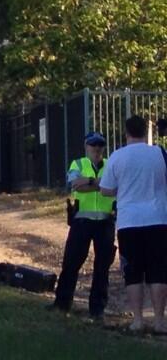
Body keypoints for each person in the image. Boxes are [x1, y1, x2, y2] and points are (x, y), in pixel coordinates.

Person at [100, 116, 167, 332]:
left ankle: (137, 320)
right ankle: (159, 320)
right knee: (159, 271)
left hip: (129, 222)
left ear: (126, 132)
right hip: (158, 219)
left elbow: (106, 189)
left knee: (133, 272)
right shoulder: (159, 153)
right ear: (146, 131)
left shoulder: (117, 157)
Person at [50, 132, 116, 319]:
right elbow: (75, 184)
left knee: (102, 267)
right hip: (81, 221)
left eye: (100, 145)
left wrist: (89, 183)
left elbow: (114, 187)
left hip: (105, 221)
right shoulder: (78, 164)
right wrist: (98, 183)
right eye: (93, 145)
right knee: (71, 263)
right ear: (86, 146)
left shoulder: (111, 165)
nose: (97, 149)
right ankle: (62, 304)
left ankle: (97, 310)